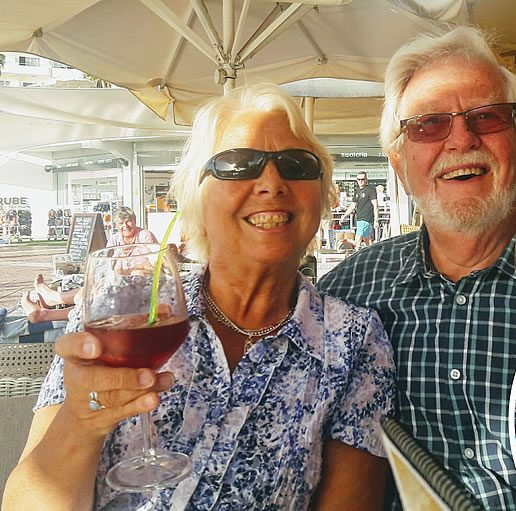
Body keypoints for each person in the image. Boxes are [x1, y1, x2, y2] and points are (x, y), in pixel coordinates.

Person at [4, 83, 395, 510]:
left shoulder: (353, 341)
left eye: (297, 164)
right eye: (238, 164)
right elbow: (24, 502)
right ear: (196, 197)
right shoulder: (117, 313)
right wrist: (79, 425)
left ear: (321, 200)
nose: (272, 182)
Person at [316, 26, 516, 509]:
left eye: (487, 117)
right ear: (399, 164)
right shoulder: (348, 292)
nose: (461, 140)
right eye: (429, 125)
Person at [340, 172, 379, 250]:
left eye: (362, 179)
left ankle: (356, 253)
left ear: (366, 180)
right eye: (358, 179)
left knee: (358, 239)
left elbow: (375, 205)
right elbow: (352, 206)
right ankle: (369, 253)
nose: (360, 181)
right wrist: (344, 215)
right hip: (359, 218)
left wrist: (376, 220)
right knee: (366, 239)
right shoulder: (357, 191)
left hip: (366, 218)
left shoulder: (370, 190)